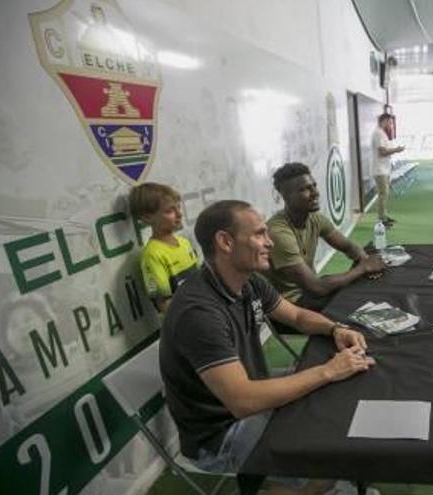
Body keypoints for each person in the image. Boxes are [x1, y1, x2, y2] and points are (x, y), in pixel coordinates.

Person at [160, 200, 376, 493]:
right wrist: (328, 371)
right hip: (217, 435)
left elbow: (297, 316)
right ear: (225, 242)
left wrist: (335, 328)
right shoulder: (198, 313)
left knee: (334, 405)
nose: (269, 242)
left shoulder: (247, 282)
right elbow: (243, 400)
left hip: (250, 398)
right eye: (260, 234)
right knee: (328, 455)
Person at [264, 163, 385, 311]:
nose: (315, 193)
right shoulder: (278, 232)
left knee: (367, 291)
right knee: (360, 306)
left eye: (314, 186)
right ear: (286, 196)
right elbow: (318, 287)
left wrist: (365, 260)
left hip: (309, 292)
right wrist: (364, 268)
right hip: (289, 306)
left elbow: (349, 247)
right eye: (305, 189)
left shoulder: (315, 218)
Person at [128, 182, 199, 313]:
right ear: (147, 217)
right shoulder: (153, 255)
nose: (179, 214)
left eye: (178, 207)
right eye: (170, 211)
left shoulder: (184, 243)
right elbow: (164, 304)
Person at [372, 113, 405, 227]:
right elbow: (382, 152)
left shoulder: (382, 133)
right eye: (389, 122)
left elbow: (385, 150)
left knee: (384, 194)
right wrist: (396, 150)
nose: (390, 124)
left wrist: (394, 150)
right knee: (383, 194)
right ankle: (381, 220)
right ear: (383, 121)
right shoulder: (378, 133)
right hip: (380, 169)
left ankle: (384, 216)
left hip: (384, 169)